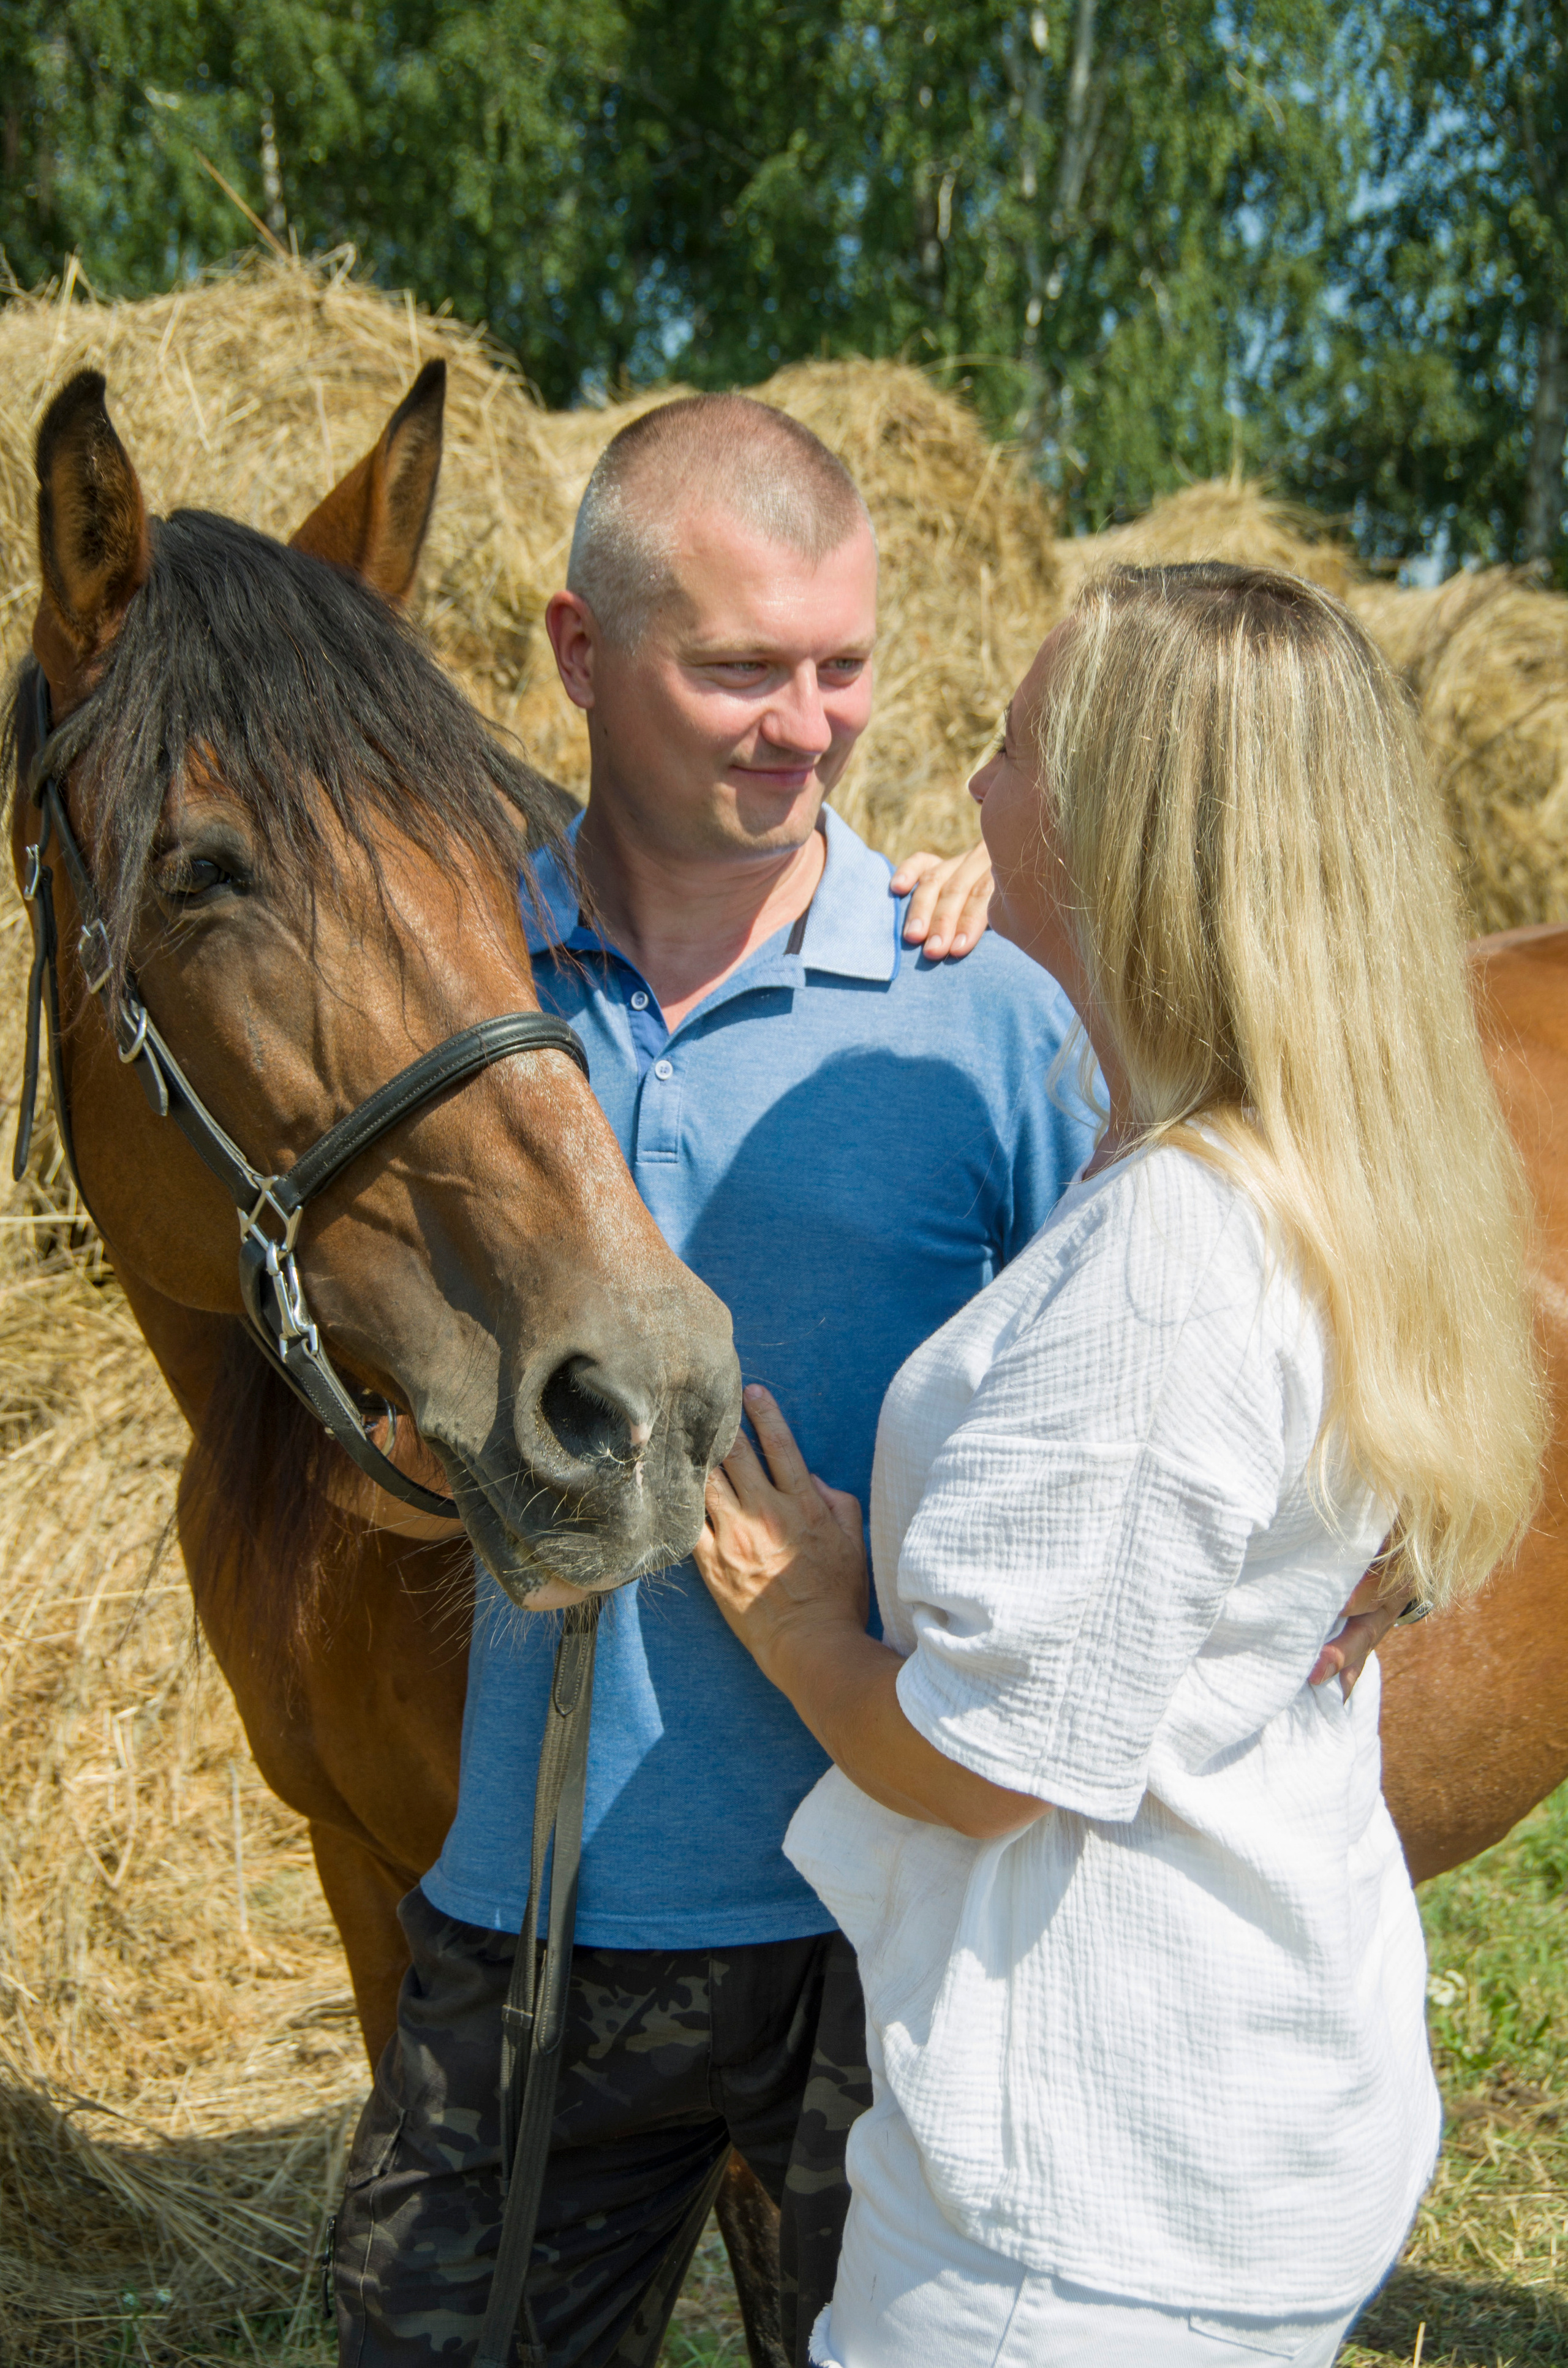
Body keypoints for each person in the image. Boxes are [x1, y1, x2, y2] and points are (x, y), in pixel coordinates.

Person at [334, 420, 1395, 2368]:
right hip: (535, 1917)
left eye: (845, 666)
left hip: (885, 1934)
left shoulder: (988, 1011)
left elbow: (1223, 1325)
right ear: (578, 650)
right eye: (740, 668)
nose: (808, 728)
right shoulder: (451, 984)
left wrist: (1369, 1533)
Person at [695, 562, 1548, 2368]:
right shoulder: (1314, 1156)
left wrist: (803, 1619)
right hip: (1250, 2096)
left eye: (1006, 749)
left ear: (1109, 828)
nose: (969, 789)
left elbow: (990, 1770)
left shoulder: (1173, 1258)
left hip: (1080, 2223)